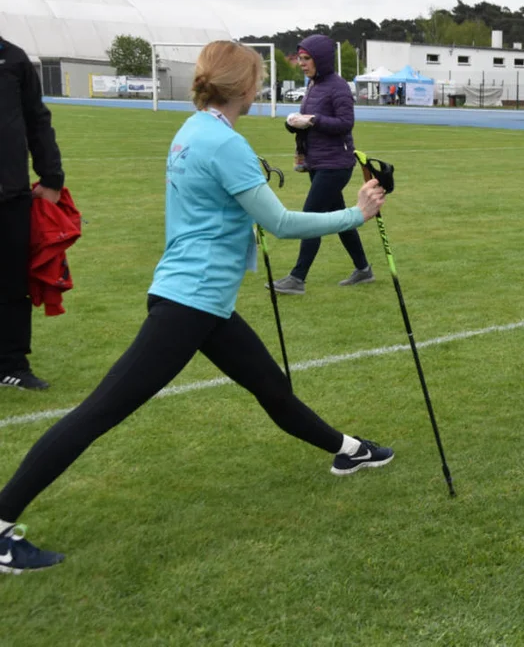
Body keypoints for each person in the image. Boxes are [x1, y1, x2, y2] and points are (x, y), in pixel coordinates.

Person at [0, 41, 393, 574]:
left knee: (271, 387)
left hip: (199, 299)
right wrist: (358, 213)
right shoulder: (220, 142)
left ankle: (349, 449)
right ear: (246, 88)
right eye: (256, 80)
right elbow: (281, 223)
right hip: (190, 302)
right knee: (100, 410)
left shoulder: (195, 131)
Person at [273, 35, 374, 295]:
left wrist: (314, 120)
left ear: (321, 60)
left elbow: (345, 123)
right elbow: (310, 120)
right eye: (300, 59)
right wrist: (293, 122)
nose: (302, 64)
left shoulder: (338, 87)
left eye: (307, 59)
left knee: (310, 218)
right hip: (317, 162)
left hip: (336, 165)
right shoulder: (313, 86)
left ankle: (297, 278)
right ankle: (363, 269)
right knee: (340, 218)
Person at [0, 35, 65, 391]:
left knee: (12, 284)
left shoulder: (13, 59)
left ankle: (10, 364)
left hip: (10, 195)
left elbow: (37, 119)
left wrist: (52, 177)